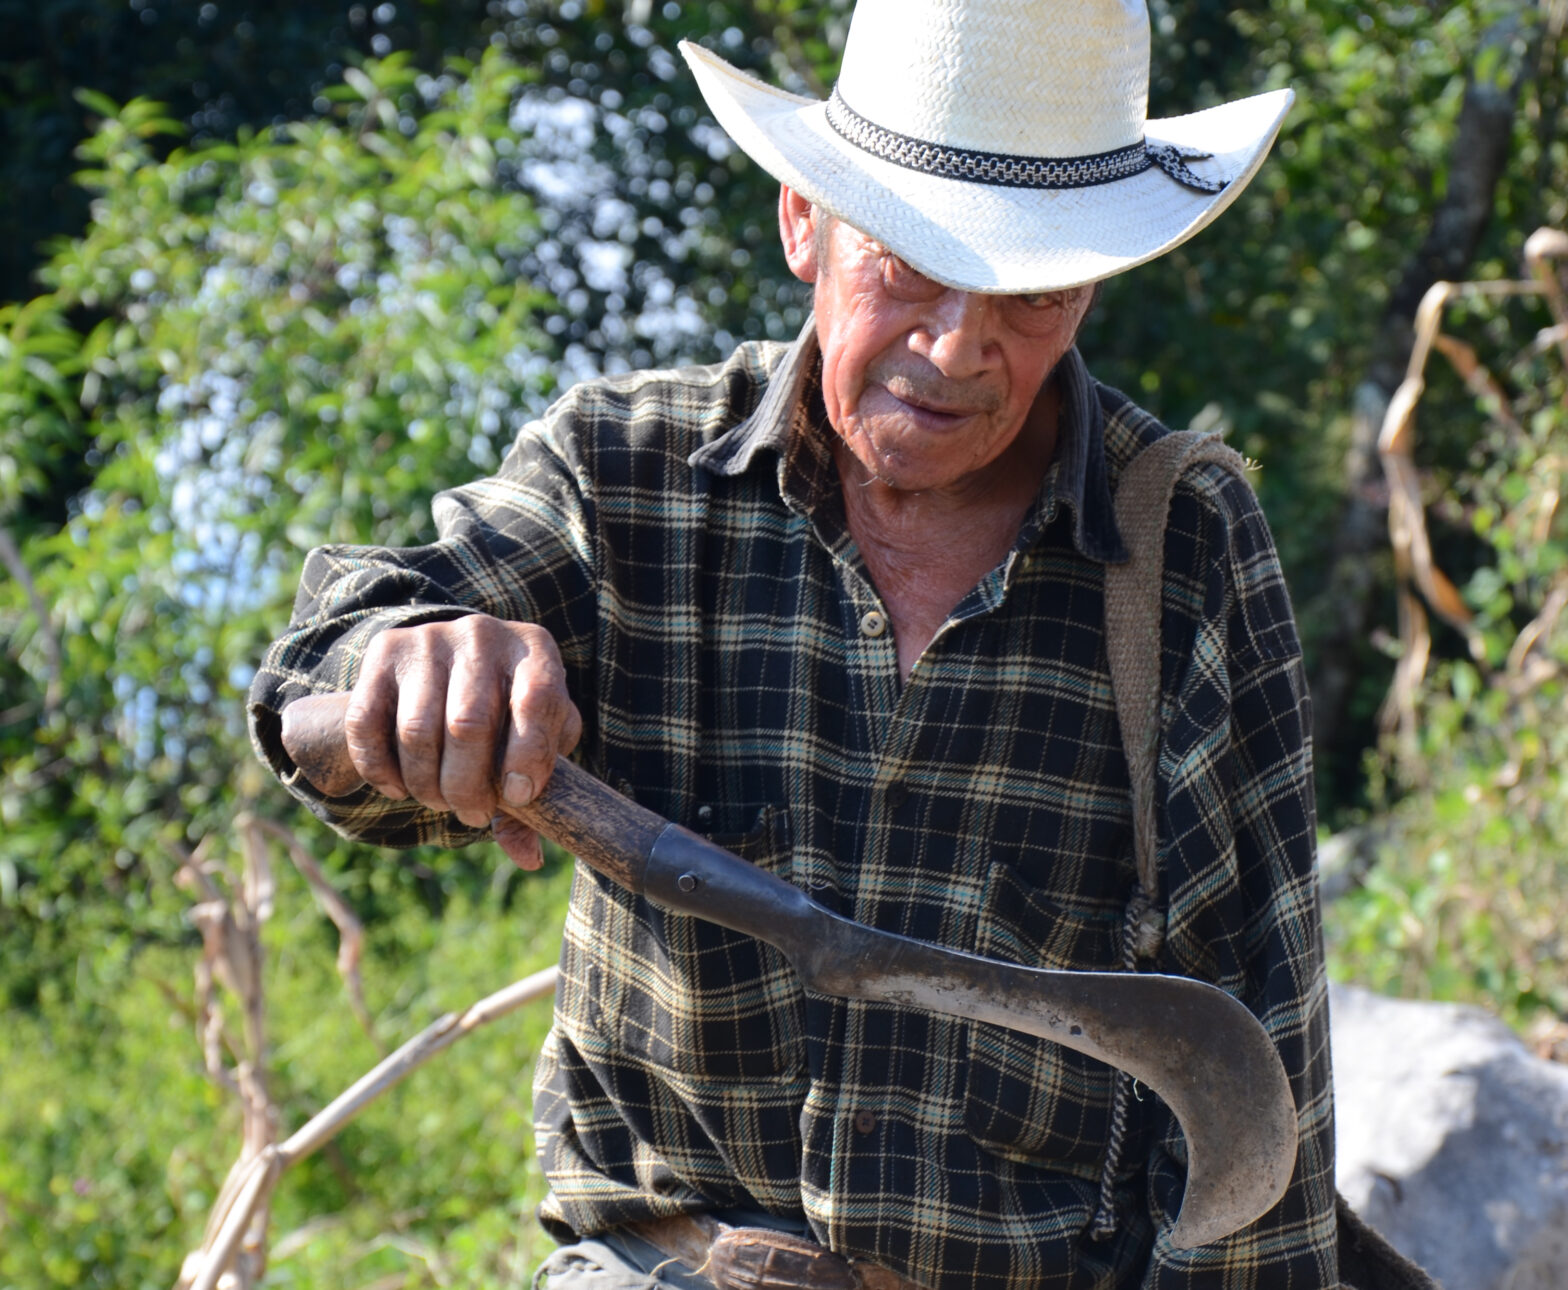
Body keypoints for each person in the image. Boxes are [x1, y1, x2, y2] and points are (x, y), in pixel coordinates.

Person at [248, 1, 1353, 1286]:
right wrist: (412, 662)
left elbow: (1259, 1074)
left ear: (1092, 284)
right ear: (801, 225)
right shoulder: (628, 475)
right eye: (906, 263)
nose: (955, 346)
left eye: (1029, 290)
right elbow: (323, 684)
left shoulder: (1182, 548)